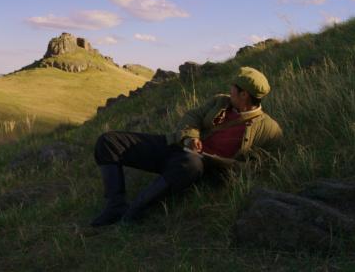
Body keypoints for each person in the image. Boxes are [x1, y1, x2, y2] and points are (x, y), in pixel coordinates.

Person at [90, 66, 283, 227]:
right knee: (109, 141)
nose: (230, 89)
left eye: (234, 87)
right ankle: (115, 206)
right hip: (178, 148)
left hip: (199, 166)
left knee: (190, 162)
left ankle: (135, 210)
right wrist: (191, 138)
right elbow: (192, 117)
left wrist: (218, 161)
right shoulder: (221, 101)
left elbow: (258, 165)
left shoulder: (270, 129)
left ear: (244, 95)